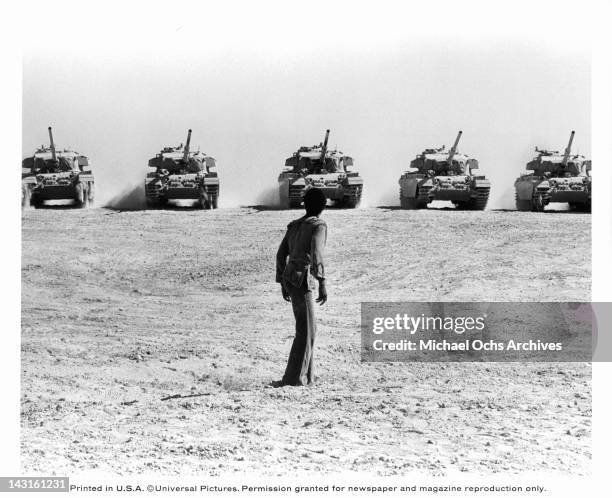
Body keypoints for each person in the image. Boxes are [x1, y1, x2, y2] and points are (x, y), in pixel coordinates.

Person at [275, 187, 328, 386]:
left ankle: (307, 376)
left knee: (306, 328)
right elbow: (317, 254)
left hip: (290, 277)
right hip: (303, 279)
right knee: (307, 330)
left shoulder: (294, 225)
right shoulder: (318, 225)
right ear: (323, 207)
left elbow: (281, 255)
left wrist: (282, 280)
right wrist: (322, 281)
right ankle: (294, 378)